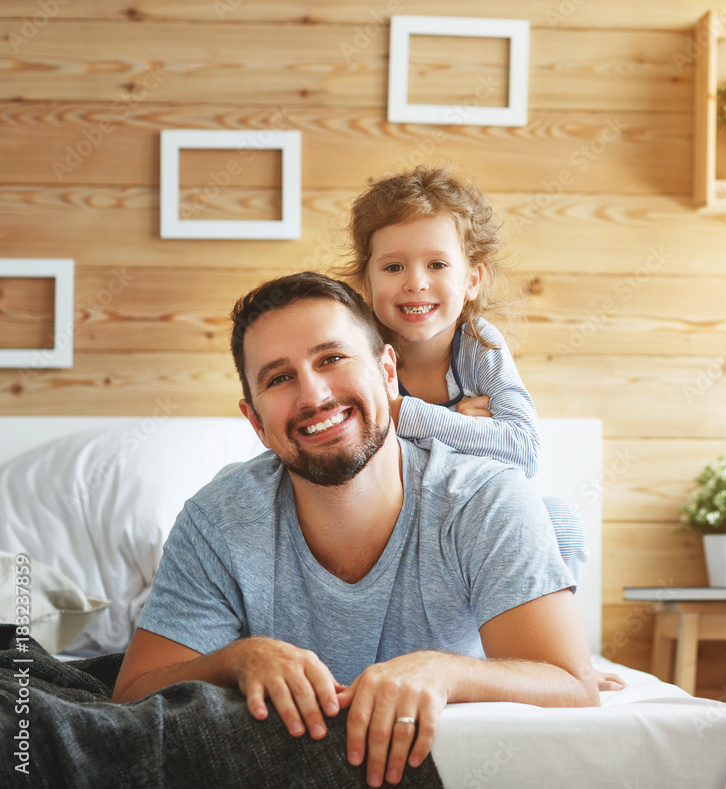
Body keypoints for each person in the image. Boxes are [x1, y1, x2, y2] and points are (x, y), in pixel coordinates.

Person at [112, 272, 600, 788]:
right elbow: (132, 694)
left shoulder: (484, 498)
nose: (314, 395)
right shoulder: (216, 521)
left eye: (332, 359)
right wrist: (238, 659)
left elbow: (573, 684)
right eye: (279, 378)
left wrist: (443, 670)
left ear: (388, 372)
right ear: (255, 421)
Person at [340, 165, 588, 582]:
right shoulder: (359, 354)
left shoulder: (478, 345)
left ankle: (530, 637)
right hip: (388, 523)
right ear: (366, 282)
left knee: (561, 521)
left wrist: (404, 414)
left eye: (437, 264)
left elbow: (524, 451)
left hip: (473, 511)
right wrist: (464, 430)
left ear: (472, 278)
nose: (416, 283)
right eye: (393, 267)